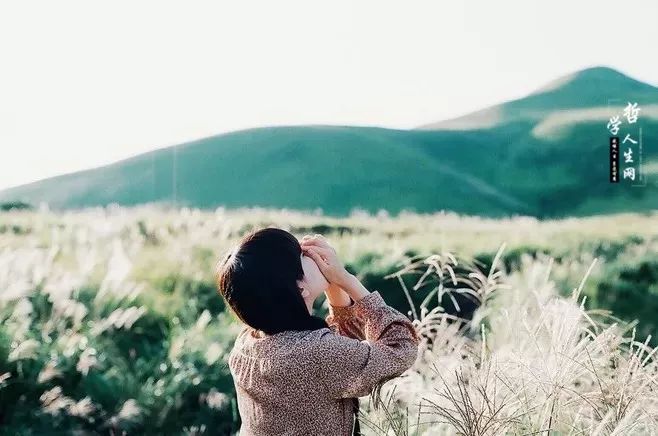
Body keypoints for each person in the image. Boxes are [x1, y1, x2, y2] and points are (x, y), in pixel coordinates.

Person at [215, 227, 419, 436]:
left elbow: (342, 355)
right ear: (299, 287)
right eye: (302, 254)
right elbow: (401, 346)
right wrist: (347, 279)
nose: (311, 253)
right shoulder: (317, 354)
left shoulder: (247, 343)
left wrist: (334, 287)